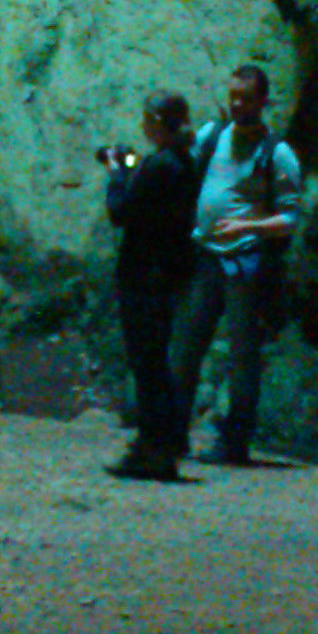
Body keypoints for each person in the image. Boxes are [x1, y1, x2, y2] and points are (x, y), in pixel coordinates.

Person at [168, 63, 304, 467]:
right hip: (206, 257)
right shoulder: (213, 136)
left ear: (263, 101)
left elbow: (290, 218)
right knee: (186, 347)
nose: (238, 104)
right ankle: (171, 432)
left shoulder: (276, 153)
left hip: (244, 264)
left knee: (243, 354)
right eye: (234, 96)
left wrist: (246, 225)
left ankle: (235, 442)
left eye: (246, 98)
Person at [100, 91, 200, 482]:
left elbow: (121, 211)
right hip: (168, 275)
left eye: (146, 119)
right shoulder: (182, 162)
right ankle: (164, 445)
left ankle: (152, 448)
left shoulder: (160, 166)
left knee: (147, 364)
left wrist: (117, 174)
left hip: (145, 275)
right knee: (157, 363)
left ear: (157, 121)